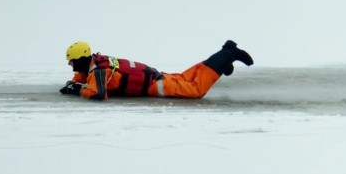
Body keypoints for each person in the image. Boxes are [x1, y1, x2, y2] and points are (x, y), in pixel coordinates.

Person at [60, 39, 253, 100]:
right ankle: (222, 61)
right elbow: (82, 76)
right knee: (187, 77)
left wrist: (78, 90)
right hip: (154, 77)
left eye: (72, 62)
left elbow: (97, 94)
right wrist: (72, 83)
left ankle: (228, 54)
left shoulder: (98, 72)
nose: (71, 65)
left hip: (156, 85)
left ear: (83, 59)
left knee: (195, 89)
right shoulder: (95, 63)